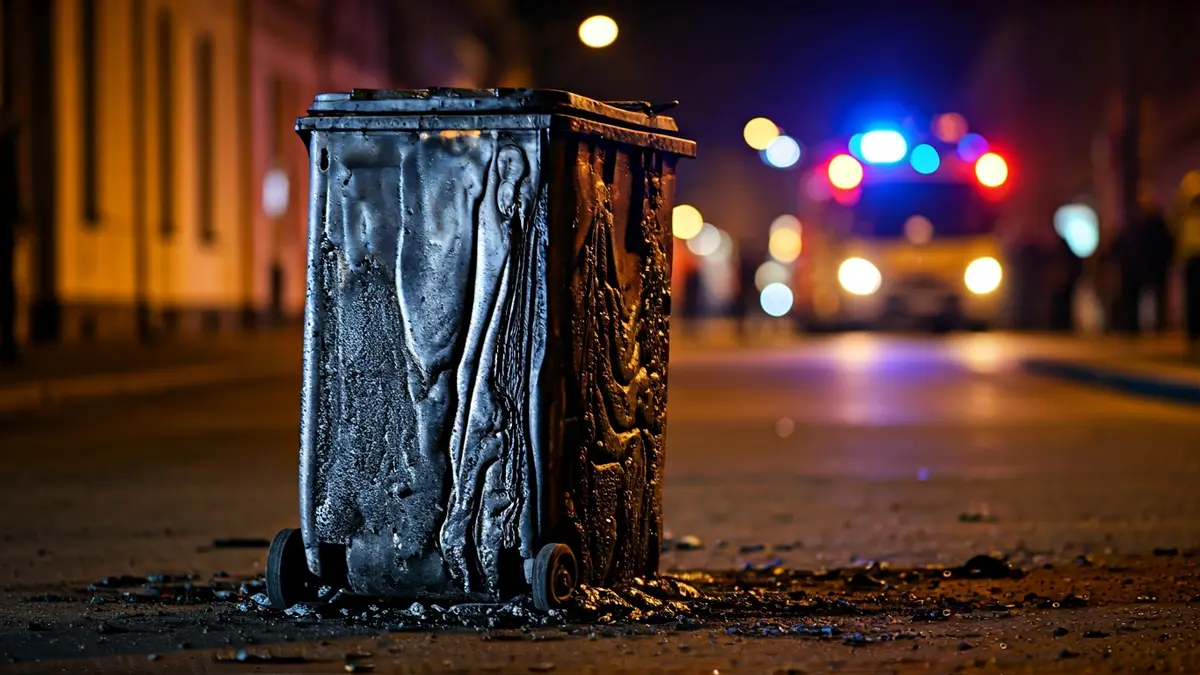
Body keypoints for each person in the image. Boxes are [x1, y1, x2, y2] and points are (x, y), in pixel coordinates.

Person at [1137, 190, 1175, 333]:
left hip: (1157, 265)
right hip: (1149, 265)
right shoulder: (1143, 222)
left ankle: (1160, 324)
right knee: (1148, 295)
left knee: (1159, 295)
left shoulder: (1156, 222)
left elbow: (1166, 242)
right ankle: (1148, 325)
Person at [0, 118, 19, 364]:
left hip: (4, 223)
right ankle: (9, 341)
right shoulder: (7, 147)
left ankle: (9, 340)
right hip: (3, 223)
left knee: (5, 284)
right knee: (5, 284)